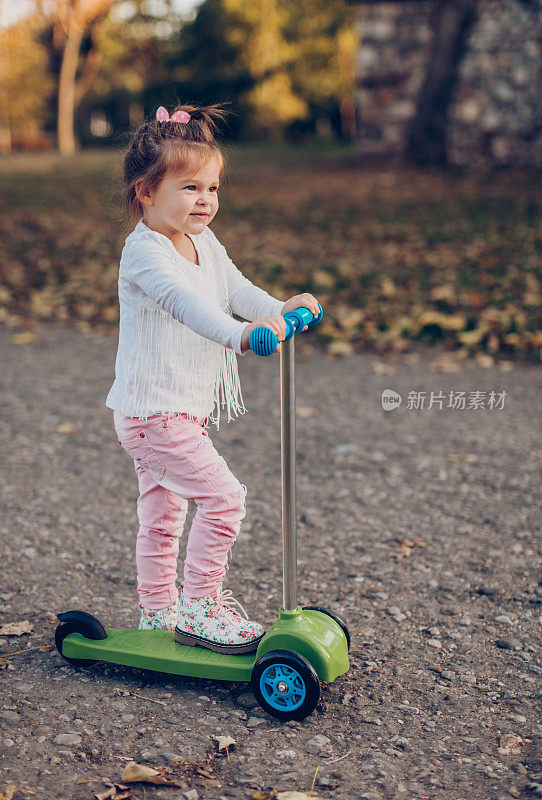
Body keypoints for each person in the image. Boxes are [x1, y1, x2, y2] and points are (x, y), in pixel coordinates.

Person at [106, 103, 320, 654]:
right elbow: (186, 305)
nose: (205, 201)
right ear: (145, 191)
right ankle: (200, 609)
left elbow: (234, 289)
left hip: (175, 410)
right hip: (154, 413)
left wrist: (277, 309)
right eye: (189, 188)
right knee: (225, 499)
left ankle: (158, 614)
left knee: (163, 513)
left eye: (213, 188)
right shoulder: (144, 253)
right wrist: (241, 337)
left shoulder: (204, 241)